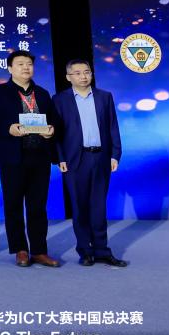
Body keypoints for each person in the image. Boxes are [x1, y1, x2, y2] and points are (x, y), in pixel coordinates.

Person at [0, 50, 59, 268]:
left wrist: (52, 130)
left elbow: (54, 119)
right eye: (20, 64)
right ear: (10, 68)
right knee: (13, 205)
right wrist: (7, 128)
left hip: (40, 156)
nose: (26, 67)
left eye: (29, 64)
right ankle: (20, 249)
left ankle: (39, 251)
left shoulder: (42, 93)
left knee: (38, 206)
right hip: (12, 157)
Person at [53, 59, 127, 267]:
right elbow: (57, 133)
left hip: (101, 157)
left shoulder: (105, 96)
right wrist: (60, 158)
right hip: (75, 160)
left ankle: (102, 250)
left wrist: (115, 154)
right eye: (77, 73)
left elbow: (113, 127)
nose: (83, 76)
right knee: (80, 207)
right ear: (68, 77)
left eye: (87, 72)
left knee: (98, 207)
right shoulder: (59, 100)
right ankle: (85, 251)